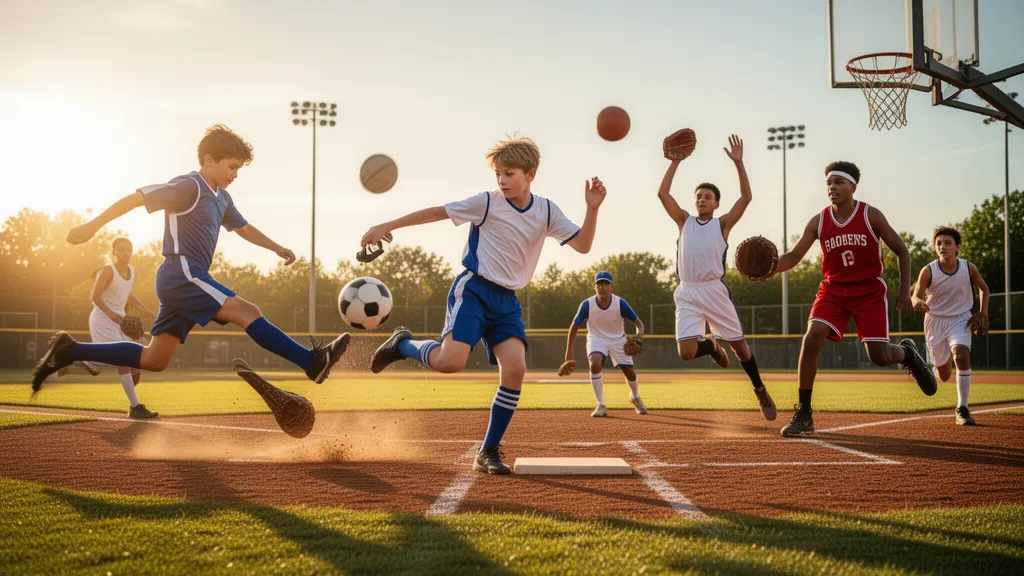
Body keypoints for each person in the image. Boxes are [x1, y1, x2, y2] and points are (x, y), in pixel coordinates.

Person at [32, 125, 349, 392]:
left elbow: (243, 227)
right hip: (181, 273)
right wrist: (92, 225)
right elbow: (136, 197)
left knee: (155, 360)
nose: (235, 174)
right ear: (209, 160)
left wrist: (276, 248)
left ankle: (69, 350)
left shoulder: (222, 197)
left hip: (185, 279)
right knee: (247, 310)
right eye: (231, 166)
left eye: (239, 168)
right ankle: (311, 362)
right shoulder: (189, 185)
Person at [361, 134, 606, 474]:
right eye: (499, 174)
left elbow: (583, 245)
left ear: (530, 174)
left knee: (516, 370)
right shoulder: (487, 202)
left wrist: (592, 208)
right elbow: (437, 212)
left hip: (506, 302)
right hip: (474, 290)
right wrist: (388, 225)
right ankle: (402, 344)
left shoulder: (547, 210)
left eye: (510, 173)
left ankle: (488, 451)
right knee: (450, 362)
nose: (502, 180)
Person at [774, 161, 937, 437]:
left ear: (853, 186)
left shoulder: (870, 215)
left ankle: (907, 354)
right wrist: (769, 268)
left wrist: (903, 291)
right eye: (829, 183)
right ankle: (804, 414)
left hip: (869, 291)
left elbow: (902, 250)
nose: (832, 187)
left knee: (880, 356)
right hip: (834, 289)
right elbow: (793, 257)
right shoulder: (819, 221)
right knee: (811, 338)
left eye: (838, 182)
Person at [657, 134, 776, 420]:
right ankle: (710, 345)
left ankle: (759, 388)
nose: (702, 199)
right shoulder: (683, 220)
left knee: (741, 349)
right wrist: (675, 163)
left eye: (708, 197)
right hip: (687, 291)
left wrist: (739, 163)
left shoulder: (722, 224)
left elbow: (746, 198)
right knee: (686, 352)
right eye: (698, 196)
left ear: (716, 204)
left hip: (713, 291)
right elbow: (663, 194)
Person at [912, 226, 990, 425]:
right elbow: (916, 295)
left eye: (947, 243)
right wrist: (917, 302)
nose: (942, 247)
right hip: (935, 320)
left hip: (960, 318)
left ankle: (962, 408)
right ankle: (920, 362)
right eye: (939, 243)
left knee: (961, 356)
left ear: (957, 247)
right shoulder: (928, 270)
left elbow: (984, 288)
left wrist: (983, 312)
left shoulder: (968, 267)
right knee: (944, 376)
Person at [563, 271, 647, 417]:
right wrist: (569, 353)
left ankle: (635, 397)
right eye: (599, 284)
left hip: (618, 339)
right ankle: (600, 405)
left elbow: (639, 324)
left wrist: (638, 336)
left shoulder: (620, 303)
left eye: (606, 284)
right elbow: (573, 327)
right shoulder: (587, 304)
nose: (602, 287)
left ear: (611, 286)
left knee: (630, 373)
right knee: (594, 363)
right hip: (596, 338)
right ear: (594, 286)